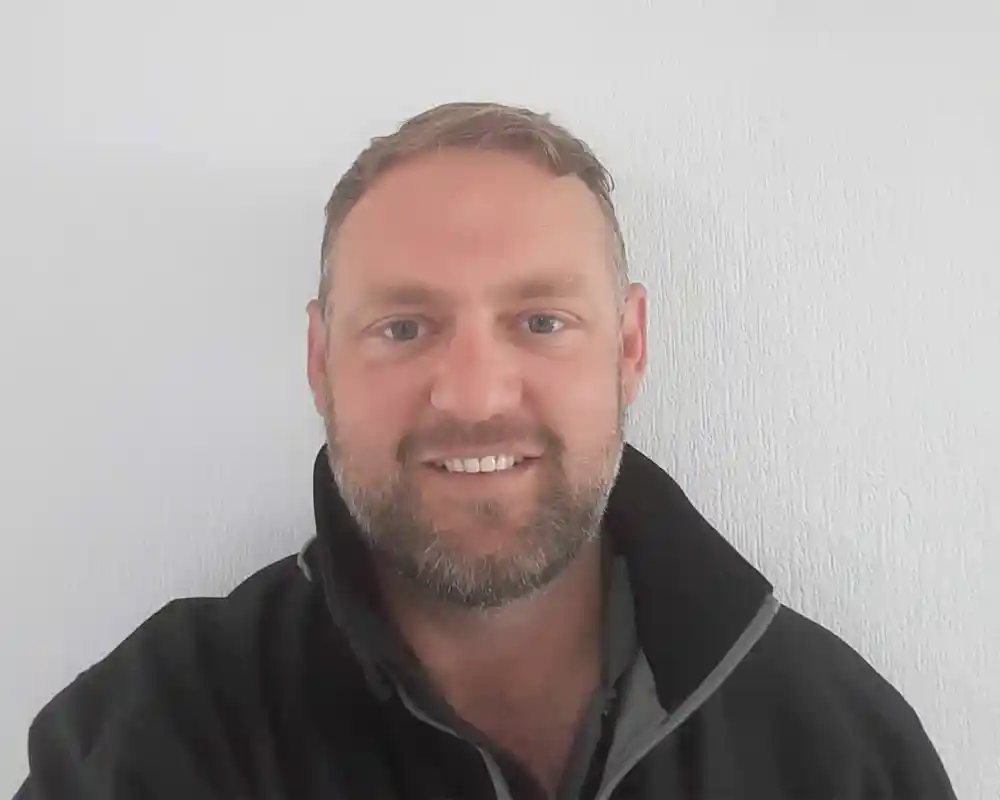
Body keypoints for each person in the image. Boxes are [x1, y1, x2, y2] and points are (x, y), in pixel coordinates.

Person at [15, 101, 956, 800]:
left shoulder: (836, 748)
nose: (472, 395)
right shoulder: (157, 735)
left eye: (541, 320)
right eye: (403, 326)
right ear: (319, 359)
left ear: (629, 347)